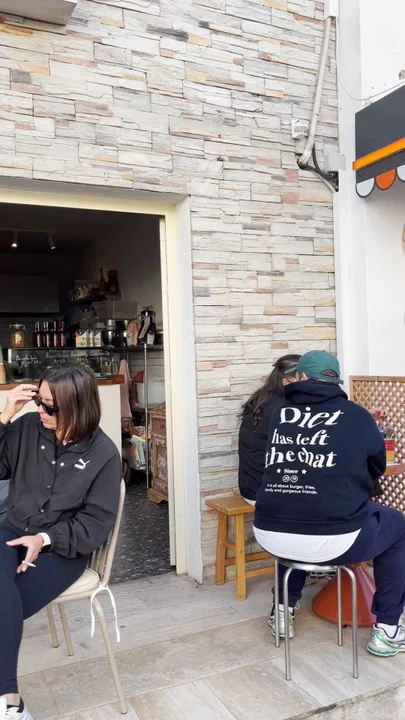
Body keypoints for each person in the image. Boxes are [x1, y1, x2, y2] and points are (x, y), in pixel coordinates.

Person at [254, 351, 405, 658]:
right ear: (336, 379)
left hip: (269, 534)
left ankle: (282, 612)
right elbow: (377, 466)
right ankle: (387, 630)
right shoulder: (356, 415)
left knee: (294, 506)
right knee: (399, 528)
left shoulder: (279, 414)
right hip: (335, 541)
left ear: (300, 377)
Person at [0, 365, 122, 720]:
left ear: (77, 407)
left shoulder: (103, 454)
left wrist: (43, 538)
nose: (40, 410)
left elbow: (95, 524)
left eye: (49, 406)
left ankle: (9, 701)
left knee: (5, 603)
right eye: (38, 400)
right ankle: (10, 700)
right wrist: (5, 416)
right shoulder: (26, 428)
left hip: (62, 549)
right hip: (11, 530)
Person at [238, 355, 300, 506]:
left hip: (250, 487)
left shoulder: (261, 398)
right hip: (268, 492)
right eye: (304, 378)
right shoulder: (285, 410)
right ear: (287, 381)